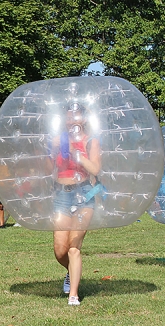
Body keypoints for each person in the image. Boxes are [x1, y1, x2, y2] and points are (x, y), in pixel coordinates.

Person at [51, 103, 101, 305]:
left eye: (76, 116)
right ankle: (72, 272)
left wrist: (76, 154)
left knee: (74, 246)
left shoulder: (91, 142)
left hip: (84, 194)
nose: (72, 120)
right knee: (60, 250)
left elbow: (96, 169)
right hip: (62, 195)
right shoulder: (57, 140)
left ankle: (74, 295)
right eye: (69, 116)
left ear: (84, 120)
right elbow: (47, 168)